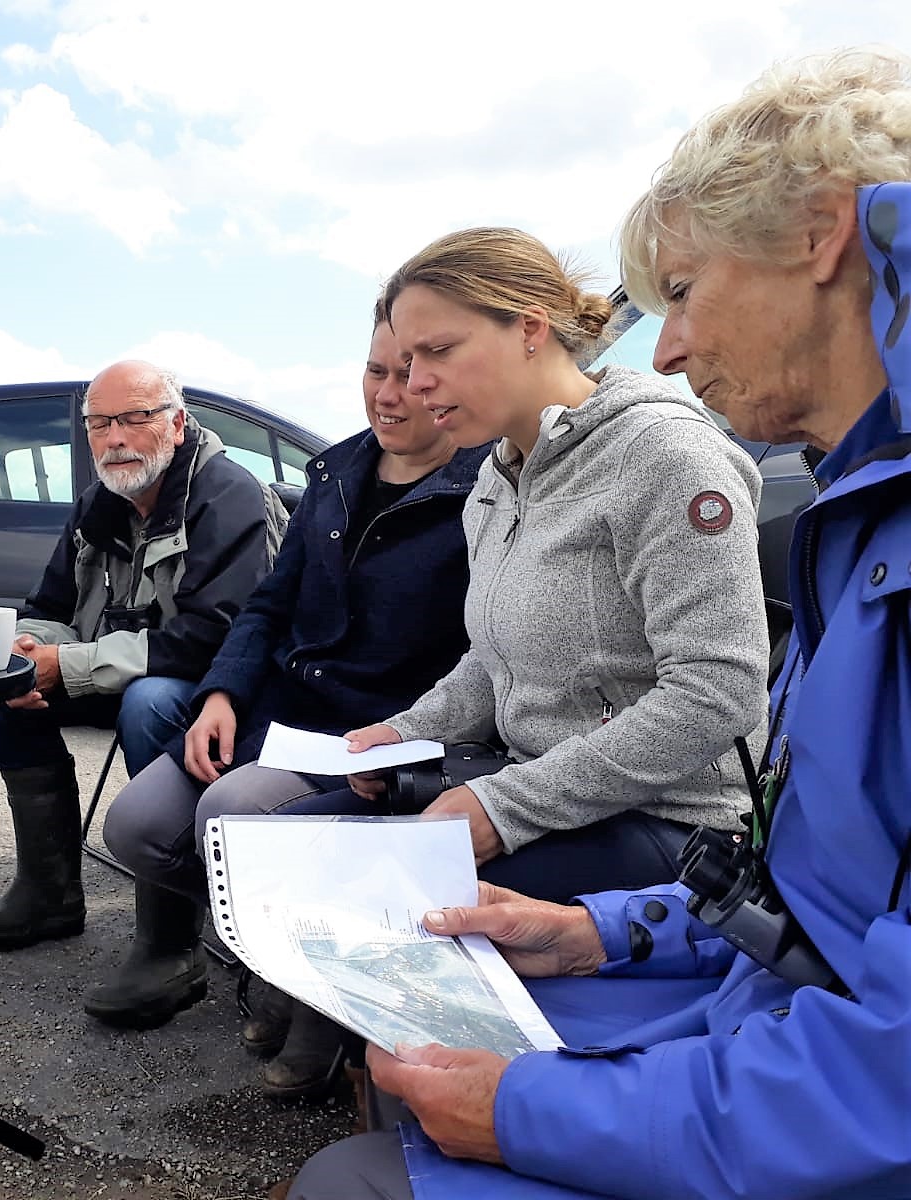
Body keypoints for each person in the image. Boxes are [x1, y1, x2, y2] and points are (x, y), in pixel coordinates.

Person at [290, 47, 911, 1200]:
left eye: (680, 291)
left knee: (354, 1165)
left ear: (824, 235)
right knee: (398, 978)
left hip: (683, 860)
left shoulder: (679, 457)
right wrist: (607, 933)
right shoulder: (854, 511)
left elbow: (716, 700)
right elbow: (817, 891)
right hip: (747, 972)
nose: (664, 346)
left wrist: (531, 1109)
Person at [265, 225, 772, 1106]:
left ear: (530, 327)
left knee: (375, 899)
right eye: (405, 358)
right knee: (304, 844)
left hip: (677, 824)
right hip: (545, 789)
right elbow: (488, 661)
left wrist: (503, 806)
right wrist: (401, 733)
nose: (415, 383)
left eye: (438, 352)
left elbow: (718, 690)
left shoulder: (663, 455)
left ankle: (420, 1120)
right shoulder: (498, 475)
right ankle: (386, 1101)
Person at [82, 304, 490, 1094]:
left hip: (387, 730)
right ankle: (278, 955)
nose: (391, 392)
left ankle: (318, 999)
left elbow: (484, 650)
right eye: (377, 370)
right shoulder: (336, 474)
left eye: (410, 372)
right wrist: (223, 693)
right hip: (286, 711)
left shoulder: (482, 489)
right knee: (135, 826)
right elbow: (268, 605)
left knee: (227, 814)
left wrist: (412, 733)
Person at [0, 360, 290, 951]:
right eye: (100, 423)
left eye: (137, 417)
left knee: (149, 701)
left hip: (217, 688)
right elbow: (49, 602)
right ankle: (49, 895)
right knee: (7, 690)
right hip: (122, 666)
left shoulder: (228, 495)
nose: (116, 439)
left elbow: (213, 638)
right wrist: (27, 648)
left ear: (178, 423)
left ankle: (168, 940)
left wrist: (74, 666)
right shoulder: (98, 502)